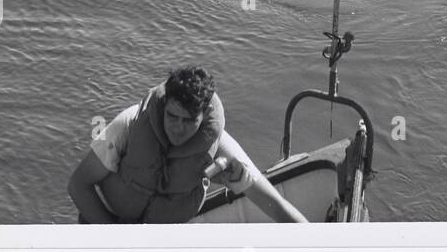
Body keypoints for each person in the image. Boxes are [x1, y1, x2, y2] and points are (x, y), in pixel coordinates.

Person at [68, 66, 307, 224]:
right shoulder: (129, 124)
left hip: (159, 242)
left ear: (204, 117)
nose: (178, 128)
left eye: (189, 121)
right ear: (163, 106)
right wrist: (115, 241)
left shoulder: (217, 144)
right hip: (103, 226)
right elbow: (79, 184)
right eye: (172, 116)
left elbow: (276, 206)